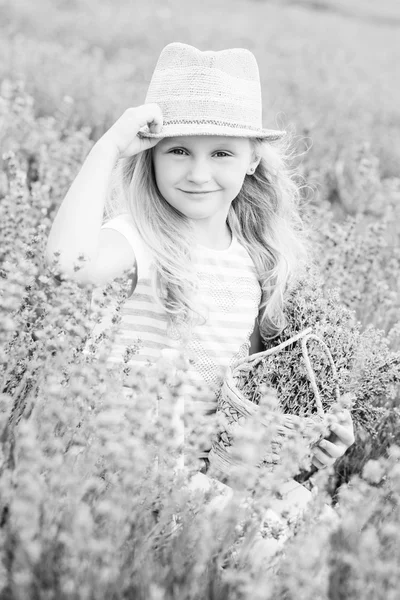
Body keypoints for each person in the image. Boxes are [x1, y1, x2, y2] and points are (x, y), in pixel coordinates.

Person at [45, 42, 354, 480]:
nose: (198, 173)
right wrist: (109, 147)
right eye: (179, 151)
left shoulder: (255, 261)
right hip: (125, 462)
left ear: (252, 161)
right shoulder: (141, 237)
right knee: (272, 540)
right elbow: (66, 263)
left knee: (307, 516)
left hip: (205, 468)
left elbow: (244, 393)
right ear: (149, 156)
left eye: (222, 153)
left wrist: (313, 441)